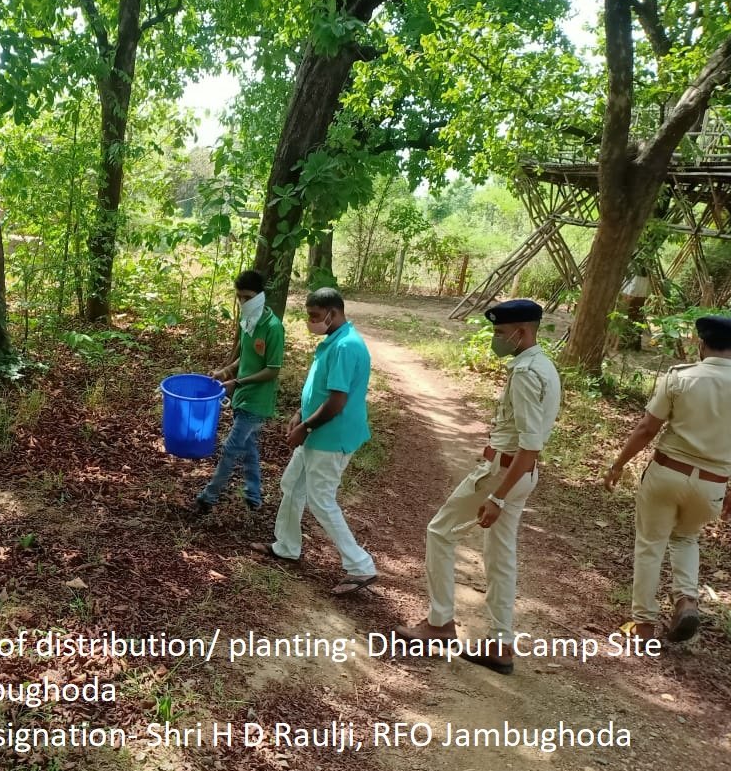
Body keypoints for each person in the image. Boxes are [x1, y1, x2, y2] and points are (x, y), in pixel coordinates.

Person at [395, 299, 561, 675]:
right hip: (521, 473)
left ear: (522, 332)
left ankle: (439, 623)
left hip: (503, 472)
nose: (496, 339)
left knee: (440, 531)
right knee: (501, 557)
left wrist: (497, 495)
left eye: (501, 332)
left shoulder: (525, 373)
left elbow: (529, 444)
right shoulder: (544, 366)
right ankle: (500, 643)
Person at [604, 314, 731, 642]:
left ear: (701, 344)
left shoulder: (681, 377)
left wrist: (618, 464)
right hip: (712, 483)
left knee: (650, 545)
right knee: (686, 537)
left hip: (667, 472)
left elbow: (647, 428)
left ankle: (643, 625)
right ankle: (686, 599)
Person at [250, 288, 377, 595]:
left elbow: (337, 401)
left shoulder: (345, 346)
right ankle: (286, 546)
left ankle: (360, 566)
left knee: (321, 499)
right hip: (318, 433)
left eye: (315, 316)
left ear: (333, 313)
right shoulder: (334, 341)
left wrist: (305, 428)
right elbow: (320, 390)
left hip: (331, 437)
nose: (311, 321)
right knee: (292, 484)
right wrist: (299, 414)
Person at [195, 269, 284, 514]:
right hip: (242, 398)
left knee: (231, 447)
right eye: (239, 297)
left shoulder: (273, 328)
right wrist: (226, 371)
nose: (243, 302)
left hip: (257, 401)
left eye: (248, 297)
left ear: (260, 296)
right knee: (249, 448)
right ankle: (254, 496)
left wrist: (239, 382)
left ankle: (209, 496)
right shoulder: (248, 322)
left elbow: (272, 370)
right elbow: (246, 356)